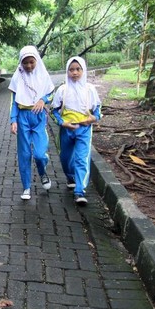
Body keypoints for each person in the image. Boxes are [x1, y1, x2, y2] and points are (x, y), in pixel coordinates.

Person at [51, 56, 101, 206]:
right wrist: (62, 122)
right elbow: (54, 111)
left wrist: (93, 118)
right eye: (71, 69)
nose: (75, 73)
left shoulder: (90, 89)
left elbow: (97, 109)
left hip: (84, 129)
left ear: (83, 70)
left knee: (81, 159)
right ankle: (70, 176)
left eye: (78, 69)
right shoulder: (62, 90)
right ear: (67, 71)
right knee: (65, 158)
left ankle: (80, 191)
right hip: (66, 130)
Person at [9, 46, 55, 200]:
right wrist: (13, 120)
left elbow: (50, 93)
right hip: (22, 117)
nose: (28, 65)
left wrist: (43, 99)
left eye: (31, 62)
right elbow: (14, 102)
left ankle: (42, 172)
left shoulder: (43, 75)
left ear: (37, 60)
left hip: (38, 117)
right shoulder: (17, 77)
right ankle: (26, 187)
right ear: (20, 62)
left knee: (40, 154)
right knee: (25, 153)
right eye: (25, 62)